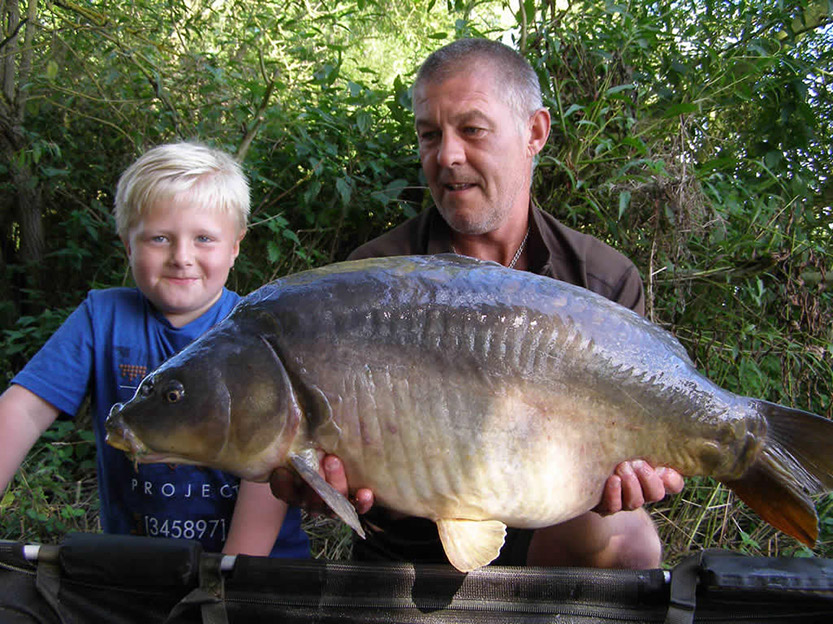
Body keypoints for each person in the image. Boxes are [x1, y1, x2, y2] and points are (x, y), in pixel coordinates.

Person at [271, 39, 683, 569]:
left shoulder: (601, 281)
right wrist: (330, 484)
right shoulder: (377, 278)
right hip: (409, 553)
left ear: (534, 132)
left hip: (553, 537)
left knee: (632, 540)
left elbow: (642, 448)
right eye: (429, 135)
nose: (447, 155)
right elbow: (341, 465)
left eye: (471, 129)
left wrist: (639, 477)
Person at [0, 142, 309, 559]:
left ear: (235, 246)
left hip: (257, 571)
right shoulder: (101, 318)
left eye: (203, 238)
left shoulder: (260, 329)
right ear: (128, 245)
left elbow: (272, 459)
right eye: (159, 238)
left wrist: (227, 577)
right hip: (139, 571)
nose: (181, 258)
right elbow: (22, 410)